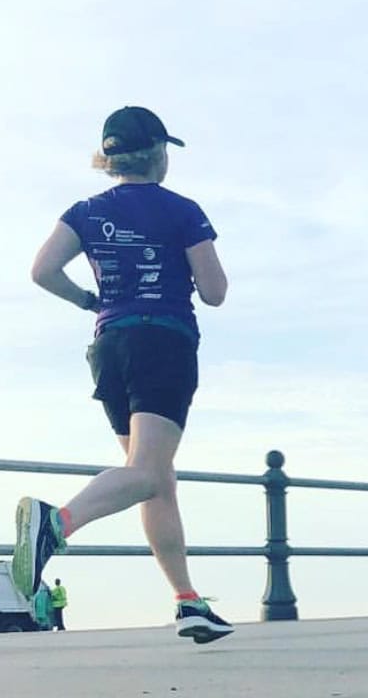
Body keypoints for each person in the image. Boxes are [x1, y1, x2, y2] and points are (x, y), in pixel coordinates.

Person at [14, 106, 234, 644]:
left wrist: (91, 299)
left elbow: (43, 271)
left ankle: (187, 601)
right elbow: (215, 291)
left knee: (153, 475)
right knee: (149, 472)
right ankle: (56, 524)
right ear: (159, 153)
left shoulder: (85, 211)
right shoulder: (182, 211)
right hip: (163, 341)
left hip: (109, 344)